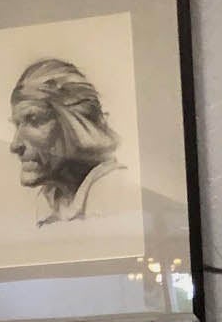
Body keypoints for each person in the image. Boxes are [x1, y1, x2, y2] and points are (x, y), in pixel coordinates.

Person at [8, 58, 130, 226]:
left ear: (76, 124)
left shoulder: (119, 195)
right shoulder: (45, 206)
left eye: (34, 120)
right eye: (17, 125)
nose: (15, 145)